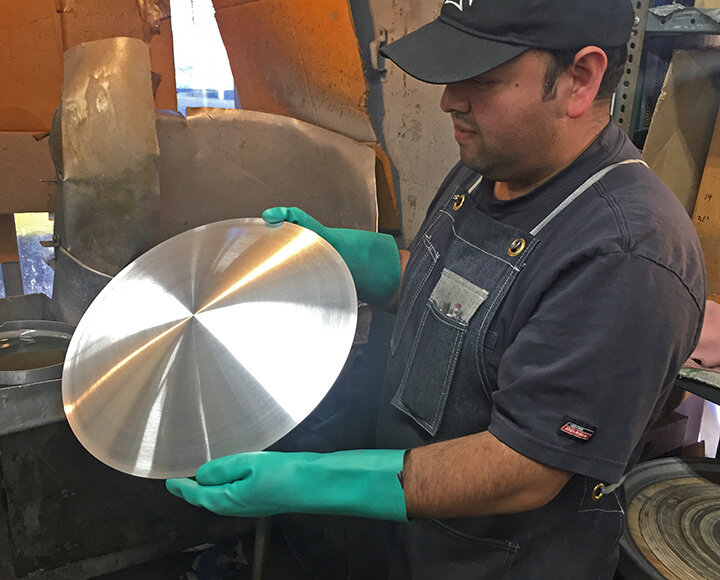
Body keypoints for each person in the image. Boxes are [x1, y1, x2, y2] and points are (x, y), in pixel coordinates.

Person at [166, 0, 706, 577]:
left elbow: (522, 467)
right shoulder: (494, 163)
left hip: (492, 561)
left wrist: (309, 479)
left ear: (581, 79)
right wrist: (335, 258)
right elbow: (463, 295)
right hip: (412, 542)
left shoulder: (626, 256)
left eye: (484, 80)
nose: (451, 99)